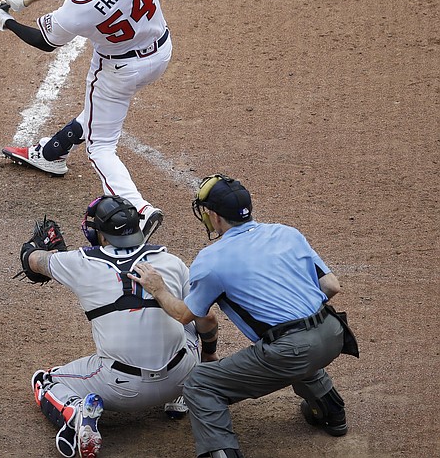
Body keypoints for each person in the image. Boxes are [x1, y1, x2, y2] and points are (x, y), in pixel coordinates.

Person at [128, 174, 355, 458]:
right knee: (296, 350)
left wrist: (158, 289)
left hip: (291, 351)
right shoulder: (288, 233)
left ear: (214, 216)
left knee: (200, 383)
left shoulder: (211, 260)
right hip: (334, 332)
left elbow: (185, 315)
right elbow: (331, 285)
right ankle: (332, 412)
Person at [0, 0, 171, 243]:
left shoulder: (75, 12)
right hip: (160, 53)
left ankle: (138, 208)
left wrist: (7, 21)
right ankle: (51, 152)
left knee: (100, 147)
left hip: (118, 72)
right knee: (99, 112)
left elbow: (45, 42)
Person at [19, 194, 219, 458]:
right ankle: (179, 398)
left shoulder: (78, 263)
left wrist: (37, 248)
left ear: (102, 236)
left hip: (120, 388)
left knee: (47, 380)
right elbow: (208, 319)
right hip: (182, 375)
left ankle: (76, 413)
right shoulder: (171, 261)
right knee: (191, 321)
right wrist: (209, 355)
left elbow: (31, 260)